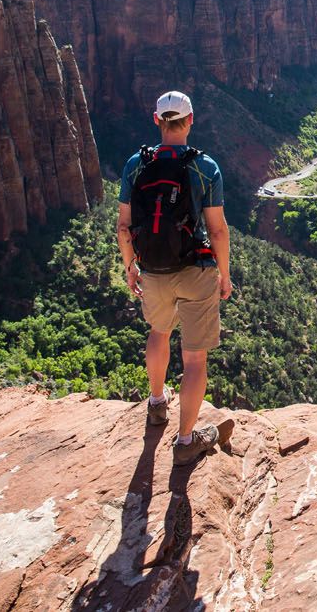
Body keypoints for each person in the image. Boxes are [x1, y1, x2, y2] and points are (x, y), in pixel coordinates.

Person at [116, 90, 234, 465]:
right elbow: (217, 231)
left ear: (156, 121)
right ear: (191, 120)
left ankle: (155, 404)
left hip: (152, 268)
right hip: (195, 269)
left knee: (158, 332)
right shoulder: (205, 167)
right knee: (195, 358)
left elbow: (123, 226)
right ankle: (185, 441)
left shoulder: (136, 164)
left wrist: (130, 266)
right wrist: (225, 275)